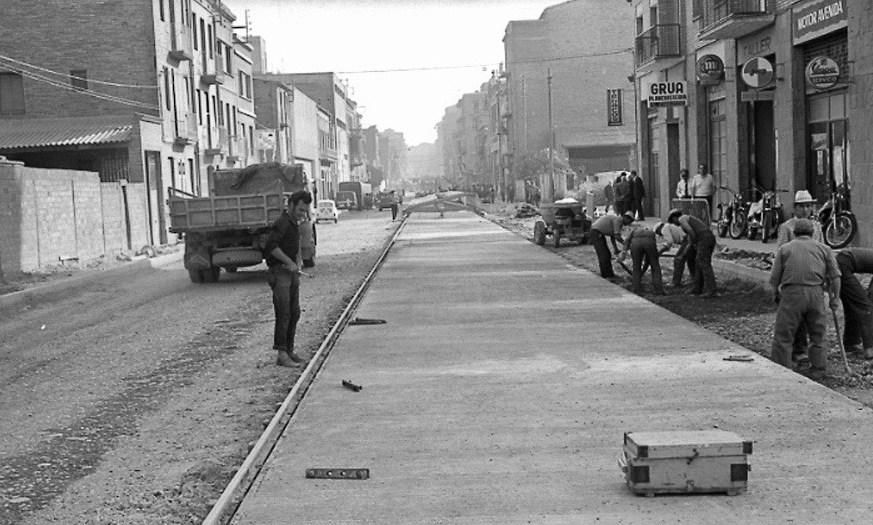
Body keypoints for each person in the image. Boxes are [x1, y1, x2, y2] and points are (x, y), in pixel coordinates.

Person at [769, 219, 841, 379]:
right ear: (812, 233)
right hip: (816, 292)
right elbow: (835, 276)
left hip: (792, 293)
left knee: (784, 334)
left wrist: (775, 293)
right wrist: (835, 298)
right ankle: (818, 369)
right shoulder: (825, 249)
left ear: (794, 233)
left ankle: (782, 368)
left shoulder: (785, 249)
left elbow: (774, 277)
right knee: (818, 333)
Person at [264, 190, 313, 367]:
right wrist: (288, 262)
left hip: (291, 273)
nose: (303, 214)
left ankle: (289, 350)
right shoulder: (282, 223)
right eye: (300, 210)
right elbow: (271, 247)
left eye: (305, 211)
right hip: (279, 272)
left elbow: (296, 244)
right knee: (283, 313)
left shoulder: (294, 223)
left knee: (294, 313)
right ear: (291, 205)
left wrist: (298, 261)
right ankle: (282, 354)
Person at [776, 190, 823, 367]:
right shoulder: (787, 227)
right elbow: (780, 253)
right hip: (793, 276)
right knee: (795, 317)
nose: (805, 210)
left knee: (814, 317)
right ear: (795, 208)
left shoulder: (816, 227)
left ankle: (814, 354)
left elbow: (822, 249)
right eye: (802, 206)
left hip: (813, 275)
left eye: (808, 206)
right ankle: (799, 351)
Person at [667, 208, 716, 297]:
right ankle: (697, 288)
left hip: (704, 238)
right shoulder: (688, 219)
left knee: (703, 263)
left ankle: (711, 290)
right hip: (706, 238)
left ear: (674, 217)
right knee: (697, 262)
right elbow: (690, 235)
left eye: (673, 222)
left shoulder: (682, 218)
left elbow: (690, 231)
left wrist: (693, 243)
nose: (675, 224)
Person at [835, 248, 873, 359]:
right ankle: (870, 349)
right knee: (865, 308)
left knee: (854, 308)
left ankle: (851, 344)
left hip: (842, 262)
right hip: (843, 264)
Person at [619, 217, 664, 295]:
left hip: (635, 244)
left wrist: (624, 252)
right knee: (655, 267)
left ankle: (636, 289)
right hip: (649, 242)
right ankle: (658, 290)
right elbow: (649, 258)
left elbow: (626, 242)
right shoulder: (651, 232)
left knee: (636, 267)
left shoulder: (634, 231)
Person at [589, 211, 633, 278]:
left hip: (598, 233)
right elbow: (617, 236)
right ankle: (606, 275)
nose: (629, 223)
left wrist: (615, 249)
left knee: (607, 255)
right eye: (630, 221)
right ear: (626, 218)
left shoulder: (618, 222)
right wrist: (625, 244)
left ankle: (609, 274)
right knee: (603, 255)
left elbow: (613, 236)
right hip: (596, 232)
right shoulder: (618, 220)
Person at [654, 220, 695, 288]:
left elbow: (669, 242)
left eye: (658, 232)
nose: (660, 234)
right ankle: (694, 279)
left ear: (659, 229)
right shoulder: (669, 226)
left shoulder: (664, 228)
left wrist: (660, 252)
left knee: (678, 260)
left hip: (686, 240)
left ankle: (676, 282)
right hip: (689, 239)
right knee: (690, 260)